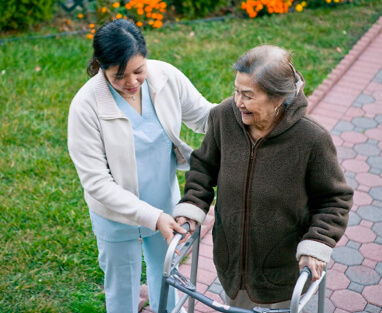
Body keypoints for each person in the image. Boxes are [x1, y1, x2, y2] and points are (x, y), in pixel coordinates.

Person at [174, 45, 353, 310]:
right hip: (230, 263)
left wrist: (318, 240)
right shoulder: (224, 117)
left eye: (248, 95)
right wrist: (193, 204)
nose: (238, 102)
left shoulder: (312, 139)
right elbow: (203, 166)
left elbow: (335, 199)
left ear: (277, 98)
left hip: (281, 274)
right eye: (236, 90)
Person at [67, 19, 215, 313]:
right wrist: (151, 216)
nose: (132, 82)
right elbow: (96, 183)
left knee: (168, 280)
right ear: (100, 66)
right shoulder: (85, 106)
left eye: (139, 71)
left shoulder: (166, 77)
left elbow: (204, 117)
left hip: (164, 201)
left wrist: (246, 110)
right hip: (115, 216)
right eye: (119, 76)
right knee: (122, 291)